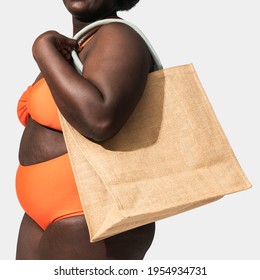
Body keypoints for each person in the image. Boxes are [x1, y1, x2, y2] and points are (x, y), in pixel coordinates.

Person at [15, 0, 156, 260]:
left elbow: (99, 119)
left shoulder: (119, 36)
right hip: (43, 216)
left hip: (92, 217)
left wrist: (42, 49)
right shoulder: (78, 46)